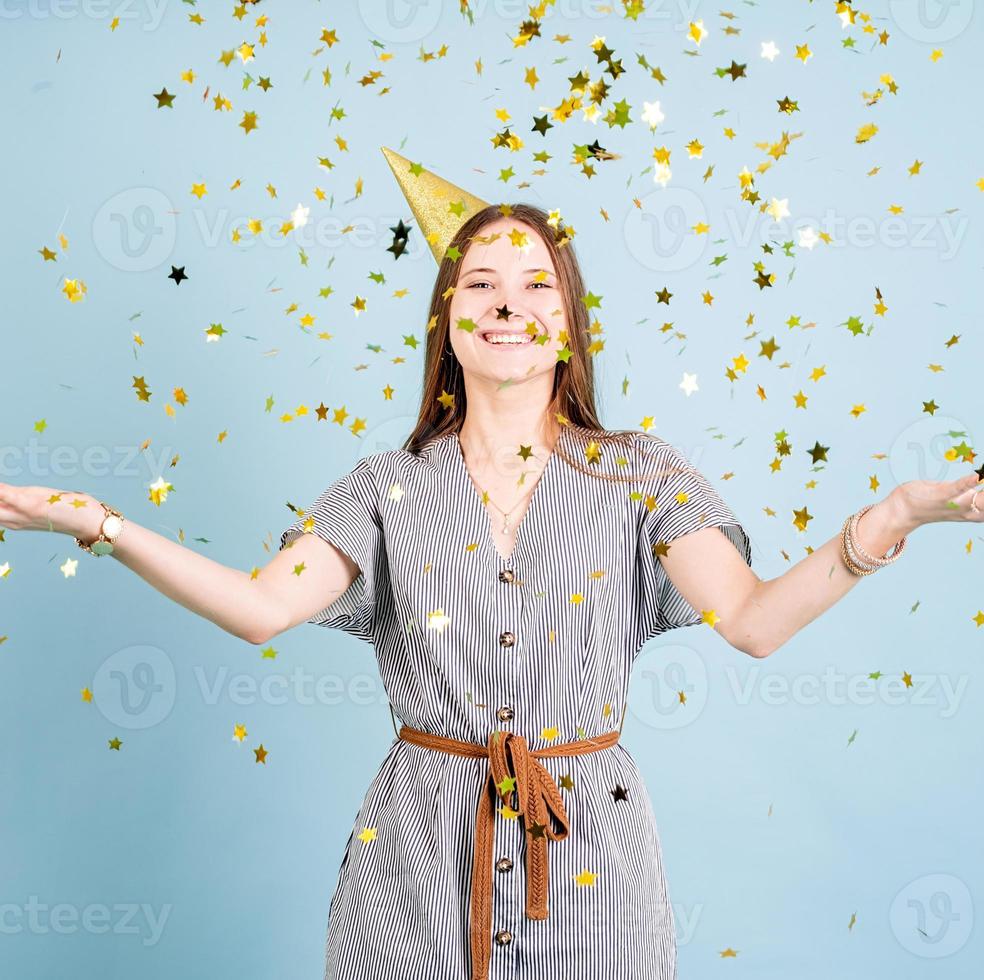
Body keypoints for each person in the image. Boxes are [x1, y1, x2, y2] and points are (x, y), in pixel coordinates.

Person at [2, 196, 981, 980]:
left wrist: (889, 517)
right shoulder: (383, 487)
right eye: (480, 282)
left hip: (592, 852)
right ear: (449, 319)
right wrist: (102, 523)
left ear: (568, 323)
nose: (508, 303)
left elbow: (755, 622)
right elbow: (263, 609)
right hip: (417, 856)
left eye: (534, 285)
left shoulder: (640, 474)